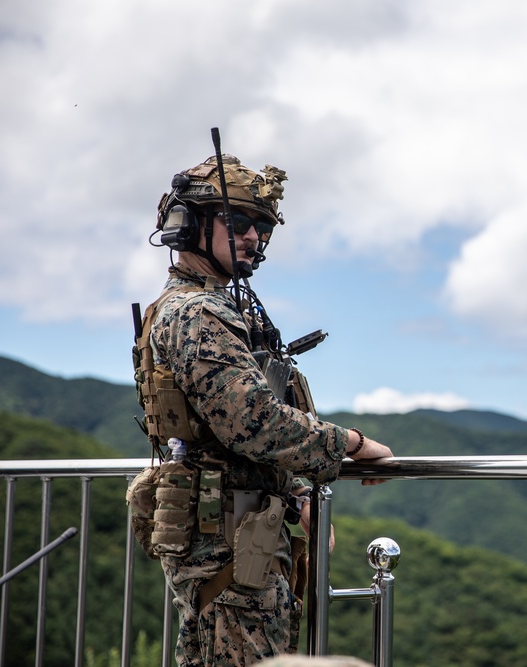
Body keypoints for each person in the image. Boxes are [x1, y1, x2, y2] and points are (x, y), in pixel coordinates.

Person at [131, 151, 393, 665]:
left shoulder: (202, 306)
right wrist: (355, 445)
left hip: (238, 532)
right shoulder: (199, 312)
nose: (254, 237)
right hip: (228, 546)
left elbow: (222, 436)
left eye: (263, 228)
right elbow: (252, 421)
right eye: (239, 221)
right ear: (189, 226)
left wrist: (296, 494)